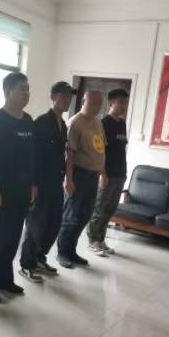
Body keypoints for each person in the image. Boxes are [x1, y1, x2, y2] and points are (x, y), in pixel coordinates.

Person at [0, 72, 36, 303]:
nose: (26, 93)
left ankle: (5, 279)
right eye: (22, 89)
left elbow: (32, 156)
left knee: (12, 238)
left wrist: (33, 185)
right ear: (7, 91)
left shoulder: (28, 120)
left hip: (22, 191)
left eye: (27, 89)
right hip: (1, 191)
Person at [19, 81, 72, 282]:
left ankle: (39, 258)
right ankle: (26, 265)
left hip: (56, 183)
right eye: (63, 96)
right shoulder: (41, 123)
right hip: (40, 184)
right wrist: (33, 184)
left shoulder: (63, 125)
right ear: (53, 97)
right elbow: (33, 156)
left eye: (69, 96)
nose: (67, 100)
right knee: (36, 225)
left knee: (54, 224)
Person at [57, 90, 106, 269]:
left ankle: (72, 250)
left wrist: (103, 173)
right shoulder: (75, 123)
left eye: (99, 103)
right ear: (83, 101)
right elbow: (69, 153)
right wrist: (68, 179)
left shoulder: (97, 122)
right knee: (71, 216)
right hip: (78, 175)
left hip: (93, 176)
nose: (97, 107)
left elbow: (101, 150)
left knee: (85, 215)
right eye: (93, 103)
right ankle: (63, 252)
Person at [87, 89, 129, 257]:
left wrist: (124, 172)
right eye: (121, 102)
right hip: (107, 174)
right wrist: (102, 174)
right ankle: (93, 241)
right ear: (111, 103)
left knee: (110, 209)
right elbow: (100, 151)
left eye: (125, 102)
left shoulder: (122, 123)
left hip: (120, 173)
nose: (124, 106)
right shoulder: (103, 123)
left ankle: (101, 239)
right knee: (100, 208)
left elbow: (121, 149)